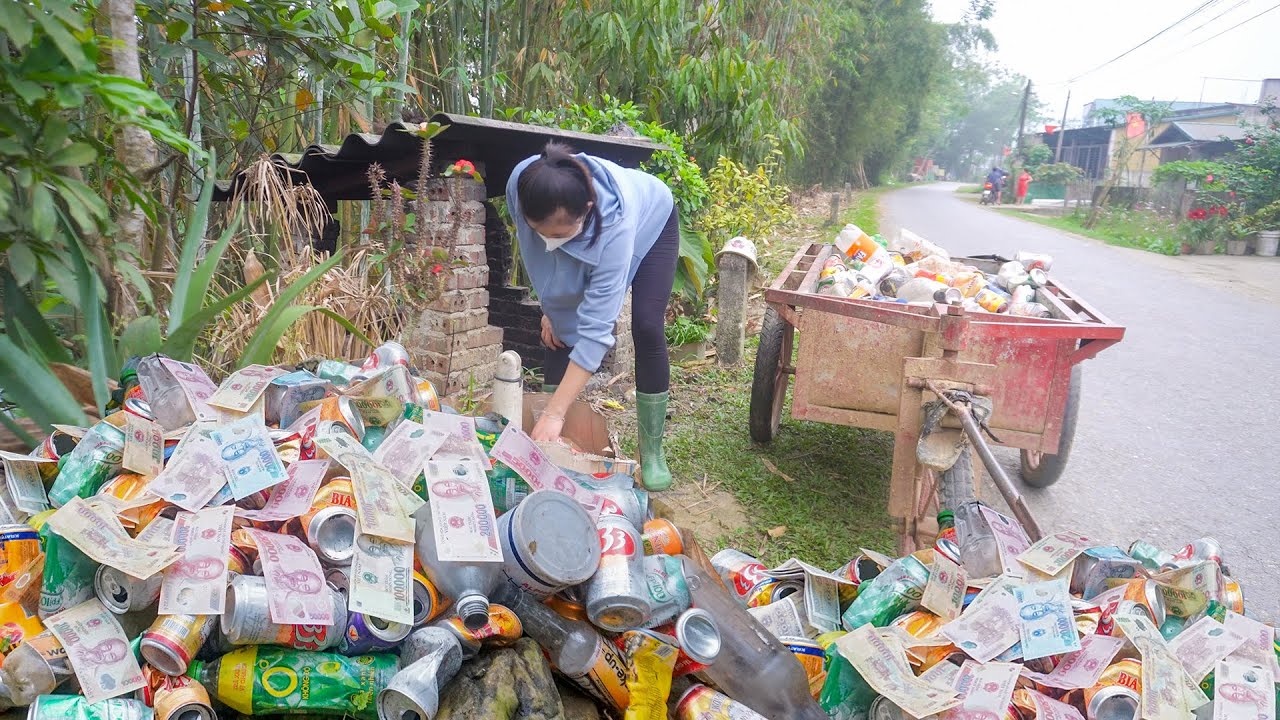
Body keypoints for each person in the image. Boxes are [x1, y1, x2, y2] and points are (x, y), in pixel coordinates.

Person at [506, 142, 678, 491]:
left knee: (646, 324)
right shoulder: (522, 185)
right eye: (540, 231)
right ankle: (557, 444)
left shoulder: (617, 229)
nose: (547, 240)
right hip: (578, 225)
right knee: (558, 328)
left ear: (585, 210)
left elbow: (597, 332)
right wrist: (550, 310)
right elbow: (541, 263)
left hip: (653, 222)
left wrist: (555, 412)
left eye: (558, 233)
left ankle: (653, 452)